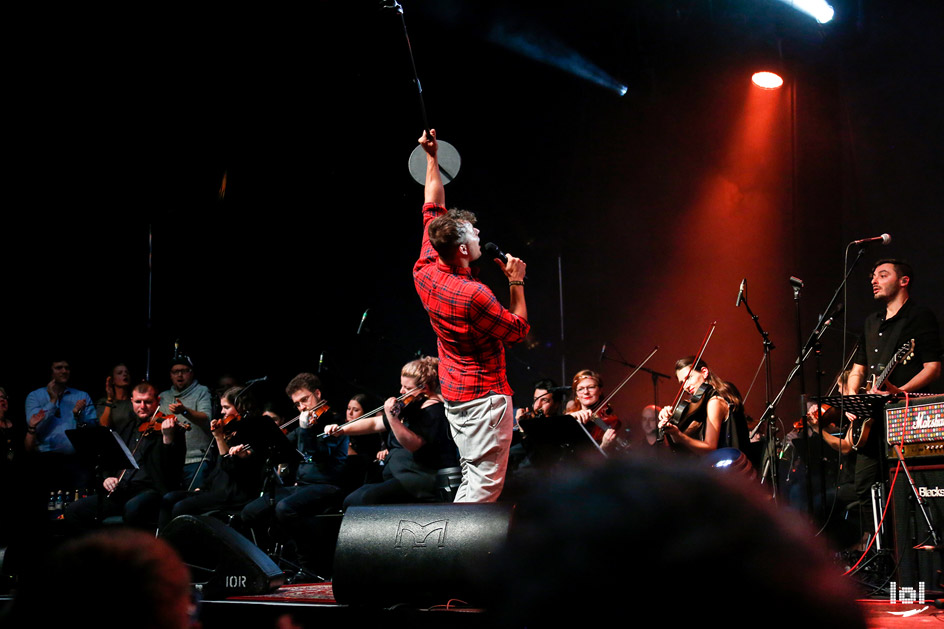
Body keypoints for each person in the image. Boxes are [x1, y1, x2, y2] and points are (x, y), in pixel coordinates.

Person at [414, 129, 530, 503]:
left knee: (470, 478)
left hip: (455, 395)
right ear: (463, 249)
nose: (479, 233)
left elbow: (432, 203)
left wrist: (432, 158)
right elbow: (517, 331)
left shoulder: (426, 265)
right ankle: (453, 559)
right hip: (484, 399)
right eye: (473, 233)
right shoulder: (473, 294)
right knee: (481, 491)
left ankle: (456, 552)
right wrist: (516, 282)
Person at [843, 259, 941, 503]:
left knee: (908, 486)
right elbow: (858, 368)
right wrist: (852, 397)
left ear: (903, 281)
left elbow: (933, 368)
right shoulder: (871, 322)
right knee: (863, 488)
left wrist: (900, 391)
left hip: (904, 413)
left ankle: (906, 540)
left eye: (882, 275)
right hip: (870, 419)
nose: (874, 281)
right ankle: (874, 540)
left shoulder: (919, 317)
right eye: (873, 277)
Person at [239, 373, 347, 573]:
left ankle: (308, 566)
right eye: (297, 404)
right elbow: (283, 443)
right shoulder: (305, 425)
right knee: (250, 512)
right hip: (302, 486)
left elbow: (314, 453)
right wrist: (251, 449)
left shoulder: (334, 420)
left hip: (328, 486)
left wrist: (306, 430)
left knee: (285, 508)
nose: (302, 407)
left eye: (305, 400)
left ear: (317, 393)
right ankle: (267, 565)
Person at [327, 357, 459, 506]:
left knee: (359, 500)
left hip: (418, 478)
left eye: (407, 388)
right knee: (354, 496)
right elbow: (374, 423)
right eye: (402, 386)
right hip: (398, 476)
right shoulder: (411, 408)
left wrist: (392, 418)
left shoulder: (434, 412)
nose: (401, 391)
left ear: (424, 388)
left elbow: (414, 444)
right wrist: (341, 430)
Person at [64, 382, 186, 530]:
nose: (142, 406)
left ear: (157, 401)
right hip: (123, 489)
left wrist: (167, 439)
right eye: (138, 402)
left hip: (151, 490)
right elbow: (109, 459)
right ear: (131, 401)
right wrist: (108, 478)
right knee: (74, 510)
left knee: (133, 508)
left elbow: (173, 471)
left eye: (147, 402)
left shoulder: (171, 428)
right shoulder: (127, 427)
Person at [159, 386, 268, 529]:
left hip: (234, 493)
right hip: (217, 489)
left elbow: (231, 468)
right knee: (169, 498)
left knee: (182, 507)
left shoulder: (252, 432)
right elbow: (217, 467)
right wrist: (204, 486)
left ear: (241, 407)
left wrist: (219, 438)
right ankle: (162, 543)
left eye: (226, 407)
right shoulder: (230, 430)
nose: (222, 412)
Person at [657, 357, 749, 454]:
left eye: (688, 378)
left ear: (704, 372)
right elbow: (681, 443)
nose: (685, 386)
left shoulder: (715, 401)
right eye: (682, 383)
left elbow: (709, 447)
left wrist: (678, 434)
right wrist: (671, 421)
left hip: (730, 466)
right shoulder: (703, 405)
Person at [158, 354, 213, 487]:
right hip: (171, 462)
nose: (179, 375)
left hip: (196, 459)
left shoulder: (202, 391)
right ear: (170, 375)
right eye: (175, 372)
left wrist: (184, 411)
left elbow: (206, 419)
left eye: (184, 371)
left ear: (191, 372)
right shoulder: (163, 396)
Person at [24, 358, 97, 455]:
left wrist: (78, 415)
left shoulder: (81, 396)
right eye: (59, 368)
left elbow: (94, 429)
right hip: (46, 456)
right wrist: (52, 402)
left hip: (76, 458)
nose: (64, 371)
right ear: (50, 371)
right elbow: (34, 427)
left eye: (67, 368)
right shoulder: (35, 396)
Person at [565, 370, 624, 453]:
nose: (586, 392)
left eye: (591, 387)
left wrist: (604, 446)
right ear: (577, 394)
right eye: (580, 389)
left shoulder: (611, 421)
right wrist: (570, 418)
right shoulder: (570, 417)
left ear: (600, 390)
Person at [97, 363, 136, 434]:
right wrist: (109, 399)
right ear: (112, 380)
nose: (124, 374)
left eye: (126, 372)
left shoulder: (135, 402)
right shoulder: (103, 402)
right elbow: (104, 425)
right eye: (119, 373)